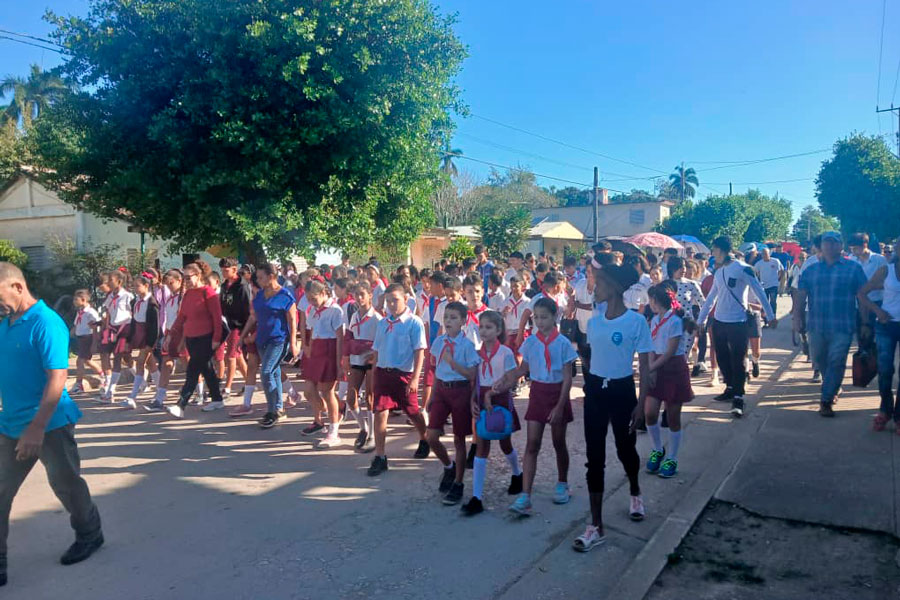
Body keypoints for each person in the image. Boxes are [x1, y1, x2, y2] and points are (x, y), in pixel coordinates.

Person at [0, 263, 104, 586]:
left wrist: (36, 427)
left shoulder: (46, 323)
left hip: (50, 423)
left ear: (17, 287)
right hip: (11, 423)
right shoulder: (5, 323)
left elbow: (58, 377)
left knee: (65, 483)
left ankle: (90, 532)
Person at [572, 264, 649, 552]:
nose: (595, 287)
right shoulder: (594, 322)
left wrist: (641, 403)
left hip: (623, 391)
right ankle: (596, 526)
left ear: (615, 288)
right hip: (596, 391)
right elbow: (593, 356)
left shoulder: (636, 322)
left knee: (625, 449)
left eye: (601, 282)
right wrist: (585, 365)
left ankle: (635, 491)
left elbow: (645, 366)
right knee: (594, 458)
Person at [495, 298, 577, 516]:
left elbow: (567, 378)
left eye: (544, 317)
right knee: (532, 444)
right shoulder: (531, 342)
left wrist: (560, 406)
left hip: (557, 394)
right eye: (536, 318)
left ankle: (562, 483)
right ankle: (525, 496)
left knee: (559, 442)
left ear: (555, 316)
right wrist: (505, 380)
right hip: (538, 394)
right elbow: (523, 369)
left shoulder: (563, 344)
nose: (540, 322)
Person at [698, 236, 776, 418]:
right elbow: (711, 298)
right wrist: (701, 319)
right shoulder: (718, 272)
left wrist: (770, 315)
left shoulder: (744, 269)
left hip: (738, 322)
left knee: (738, 359)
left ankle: (738, 397)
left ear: (721, 250)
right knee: (722, 357)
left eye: (714, 249)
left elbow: (759, 291)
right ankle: (730, 387)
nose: (712, 253)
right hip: (719, 321)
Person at [794, 231, 867, 417]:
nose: (830, 246)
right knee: (819, 359)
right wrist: (797, 318)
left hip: (843, 325)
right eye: (826, 242)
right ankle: (832, 386)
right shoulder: (811, 270)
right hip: (816, 325)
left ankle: (826, 399)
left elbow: (862, 297)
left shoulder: (853, 268)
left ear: (841, 246)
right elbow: (800, 296)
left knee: (837, 360)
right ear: (821, 246)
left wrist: (865, 322)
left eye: (834, 243)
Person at [461, 311, 523, 516]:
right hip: (482, 400)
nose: (484, 331)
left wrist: (492, 393)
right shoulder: (476, 354)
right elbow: (475, 381)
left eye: (489, 327)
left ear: (498, 330)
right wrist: (473, 400)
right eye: (481, 327)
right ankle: (477, 497)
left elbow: (511, 379)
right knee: (482, 446)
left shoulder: (505, 352)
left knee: (505, 444)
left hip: (500, 400)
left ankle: (517, 474)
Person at [367, 284, 431, 476]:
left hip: (403, 375)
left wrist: (415, 379)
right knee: (380, 413)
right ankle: (380, 456)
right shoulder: (383, 323)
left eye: (395, 300)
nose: (391, 304)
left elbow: (419, 352)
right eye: (388, 301)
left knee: (413, 412)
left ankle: (425, 438)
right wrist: (373, 374)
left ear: (405, 300)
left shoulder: (414, 322)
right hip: (383, 373)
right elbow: (377, 351)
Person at [426, 301, 480, 505]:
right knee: (431, 436)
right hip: (442, 390)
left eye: (453, 317)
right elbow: (437, 371)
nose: (448, 321)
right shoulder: (439, 342)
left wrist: (452, 363)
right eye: (446, 317)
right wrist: (432, 396)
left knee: (459, 439)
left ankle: (458, 482)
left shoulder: (467, 345)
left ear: (463, 321)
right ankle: (448, 466)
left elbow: (472, 374)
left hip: (460, 390)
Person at [239, 263, 299, 428]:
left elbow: (292, 320)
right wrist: (243, 336)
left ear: (271, 276)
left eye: (260, 277)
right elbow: (253, 317)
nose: (258, 280)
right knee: (274, 372)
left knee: (266, 372)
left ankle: (272, 411)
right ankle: (279, 408)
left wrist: (293, 343)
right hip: (262, 340)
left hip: (278, 340)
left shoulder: (285, 295)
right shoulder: (259, 295)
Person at [644, 284, 694, 480]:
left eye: (650, 299)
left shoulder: (675, 321)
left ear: (656, 301)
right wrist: (650, 367)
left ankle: (672, 457)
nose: (649, 303)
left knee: (673, 416)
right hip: (657, 366)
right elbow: (651, 346)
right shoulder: (654, 320)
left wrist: (652, 367)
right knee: (650, 413)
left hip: (673, 368)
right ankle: (657, 449)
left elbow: (671, 351)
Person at [166, 261, 225, 418]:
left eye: (188, 277)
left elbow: (217, 317)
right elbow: (182, 317)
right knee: (206, 368)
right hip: (191, 338)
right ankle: (217, 399)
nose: (185, 281)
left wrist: (216, 338)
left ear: (198, 276)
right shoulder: (188, 294)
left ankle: (181, 404)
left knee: (192, 369)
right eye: (184, 278)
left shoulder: (208, 293)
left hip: (206, 337)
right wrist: (171, 334)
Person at [857, 238, 900, 432]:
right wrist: (877, 311)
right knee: (885, 370)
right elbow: (862, 293)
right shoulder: (886, 271)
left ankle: (899, 415)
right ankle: (885, 409)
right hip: (886, 324)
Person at [300, 280, 344, 447]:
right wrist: (308, 348)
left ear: (324, 293)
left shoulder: (335, 310)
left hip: (329, 351)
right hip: (315, 352)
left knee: (327, 391)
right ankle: (323, 418)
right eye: (308, 299)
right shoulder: (313, 309)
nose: (311, 302)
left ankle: (333, 431)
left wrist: (339, 363)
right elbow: (312, 330)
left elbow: (340, 338)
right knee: (308, 391)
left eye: (313, 298)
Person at [345, 284, 381, 451]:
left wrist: (374, 354)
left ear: (370, 295)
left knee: (370, 398)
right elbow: (349, 336)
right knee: (351, 398)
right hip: (356, 359)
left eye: (362, 294)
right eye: (356, 295)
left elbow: (381, 341)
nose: (359, 298)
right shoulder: (354, 316)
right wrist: (346, 355)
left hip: (371, 361)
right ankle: (363, 427)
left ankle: (372, 435)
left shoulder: (377, 318)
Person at [144, 269, 184, 411]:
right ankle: (160, 398)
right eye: (167, 284)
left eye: (171, 283)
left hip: (182, 334)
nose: (169, 286)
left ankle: (201, 392)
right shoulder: (170, 297)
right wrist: (166, 334)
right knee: (166, 364)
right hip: (169, 332)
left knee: (190, 364)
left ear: (179, 281)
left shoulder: (184, 297)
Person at [122, 275, 159, 409]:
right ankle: (161, 391)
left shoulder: (152, 303)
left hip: (148, 336)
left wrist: (151, 343)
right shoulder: (135, 302)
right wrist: (129, 339)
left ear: (146, 286)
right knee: (151, 363)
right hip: (138, 333)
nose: (135, 289)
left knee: (140, 362)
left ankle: (133, 396)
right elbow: (133, 321)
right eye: (134, 286)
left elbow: (155, 325)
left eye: (138, 286)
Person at [98, 269, 134, 402]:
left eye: (111, 280)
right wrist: (105, 326)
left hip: (124, 329)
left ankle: (110, 392)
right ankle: (141, 381)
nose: (108, 283)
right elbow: (108, 312)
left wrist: (132, 334)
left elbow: (133, 314)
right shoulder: (110, 297)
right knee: (124, 357)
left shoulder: (128, 296)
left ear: (119, 281)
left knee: (117, 358)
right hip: (113, 330)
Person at [219, 257, 252, 397]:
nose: (224, 273)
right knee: (238, 356)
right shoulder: (224, 286)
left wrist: (246, 330)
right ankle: (249, 383)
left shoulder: (242, 286)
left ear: (234, 269)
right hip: (227, 324)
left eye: (226, 270)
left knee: (230, 356)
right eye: (222, 271)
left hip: (238, 325)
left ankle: (227, 387)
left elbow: (247, 308)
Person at [70, 290, 103, 394]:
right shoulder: (80, 312)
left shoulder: (91, 312)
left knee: (79, 361)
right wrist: (68, 335)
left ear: (83, 300)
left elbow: (96, 326)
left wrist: (95, 342)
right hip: (80, 339)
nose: (74, 301)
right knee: (87, 361)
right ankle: (103, 375)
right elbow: (76, 325)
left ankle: (78, 384)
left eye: (76, 299)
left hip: (88, 338)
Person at [754, 247, 784, 325]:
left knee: (773, 301)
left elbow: (781, 270)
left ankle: (773, 316)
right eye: (763, 254)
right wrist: (758, 280)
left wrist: (779, 279)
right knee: (765, 303)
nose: (764, 255)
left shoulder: (775, 261)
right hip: (764, 286)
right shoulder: (759, 263)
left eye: (766, 254)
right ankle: (766, 320)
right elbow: (754, 272)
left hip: (773, 284)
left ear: (769, 254)